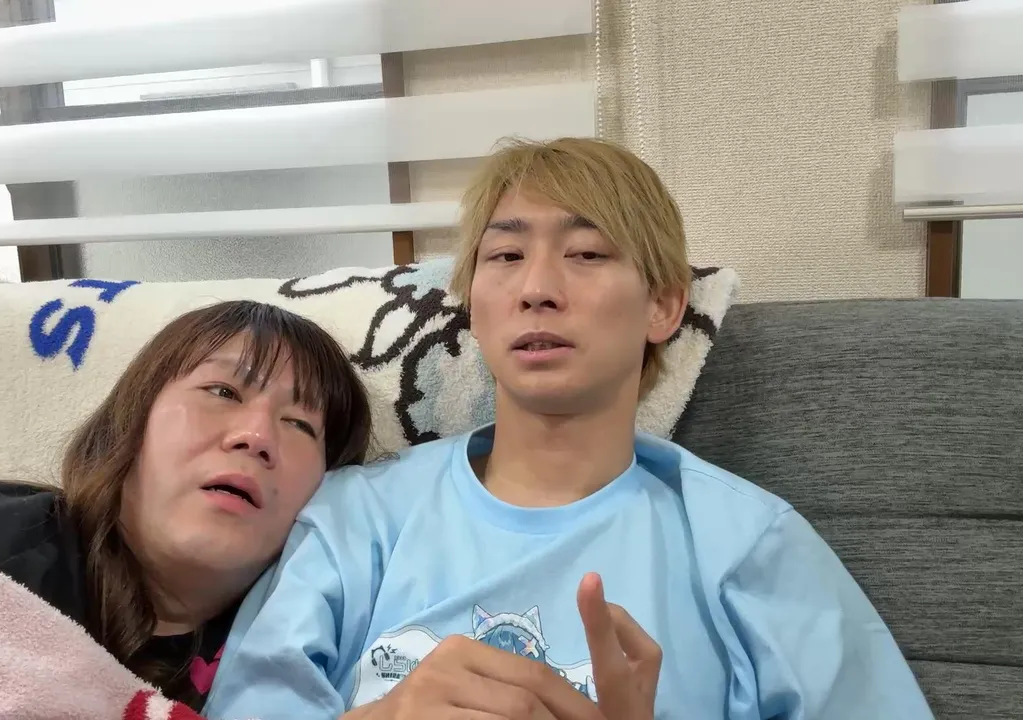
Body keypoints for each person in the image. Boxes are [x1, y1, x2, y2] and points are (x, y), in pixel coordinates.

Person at [203, 137, 934, 720]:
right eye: (505, 256)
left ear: (663, 307)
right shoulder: (352, 522)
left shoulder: (747, 546)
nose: (537, 289)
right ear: (473, 308)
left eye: (586, 254)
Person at [0, 300, 372, 712]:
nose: (256, 436)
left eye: (300, 424)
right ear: (133, 420)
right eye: (222, 391)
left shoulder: (314, 648)